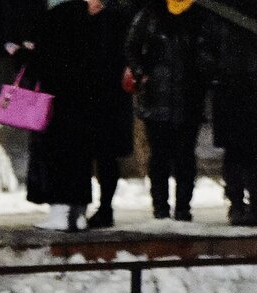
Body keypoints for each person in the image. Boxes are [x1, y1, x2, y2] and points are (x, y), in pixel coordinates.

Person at [9, 0, 100, 232]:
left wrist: (20, 54)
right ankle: (79, 214)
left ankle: (59, 213)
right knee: (80, 159)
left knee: (56, 157)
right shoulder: (90, 28)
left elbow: (44, 65)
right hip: (85, 103)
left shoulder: (57, 23)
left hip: (56, 106)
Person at [125, 0, 209, 221]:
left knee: (185, 157)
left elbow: (209, 52)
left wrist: (202, 75)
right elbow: (131, 46)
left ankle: (183, 208)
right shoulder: (150, 13)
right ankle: (160, 208)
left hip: (188, 98)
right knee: (159, 157)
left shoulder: (199, 15)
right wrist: (141, 73)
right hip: (156, 98)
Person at [85, 0, 136, 229]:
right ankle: (94, 207)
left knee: (105, 156)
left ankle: (105, 207)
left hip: (107, 99)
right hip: (93, 97)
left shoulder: (116, 19)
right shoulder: (84, 19)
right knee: (95, 156)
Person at [203, 10, 257, 225]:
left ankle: (239, 204)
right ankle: (244, 204)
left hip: (230, 88)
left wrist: (216, 75)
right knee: (243, 152)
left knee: (237, 153)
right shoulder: (220, 15)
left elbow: (206, 49)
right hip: (233, 89)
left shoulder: (219, 13)